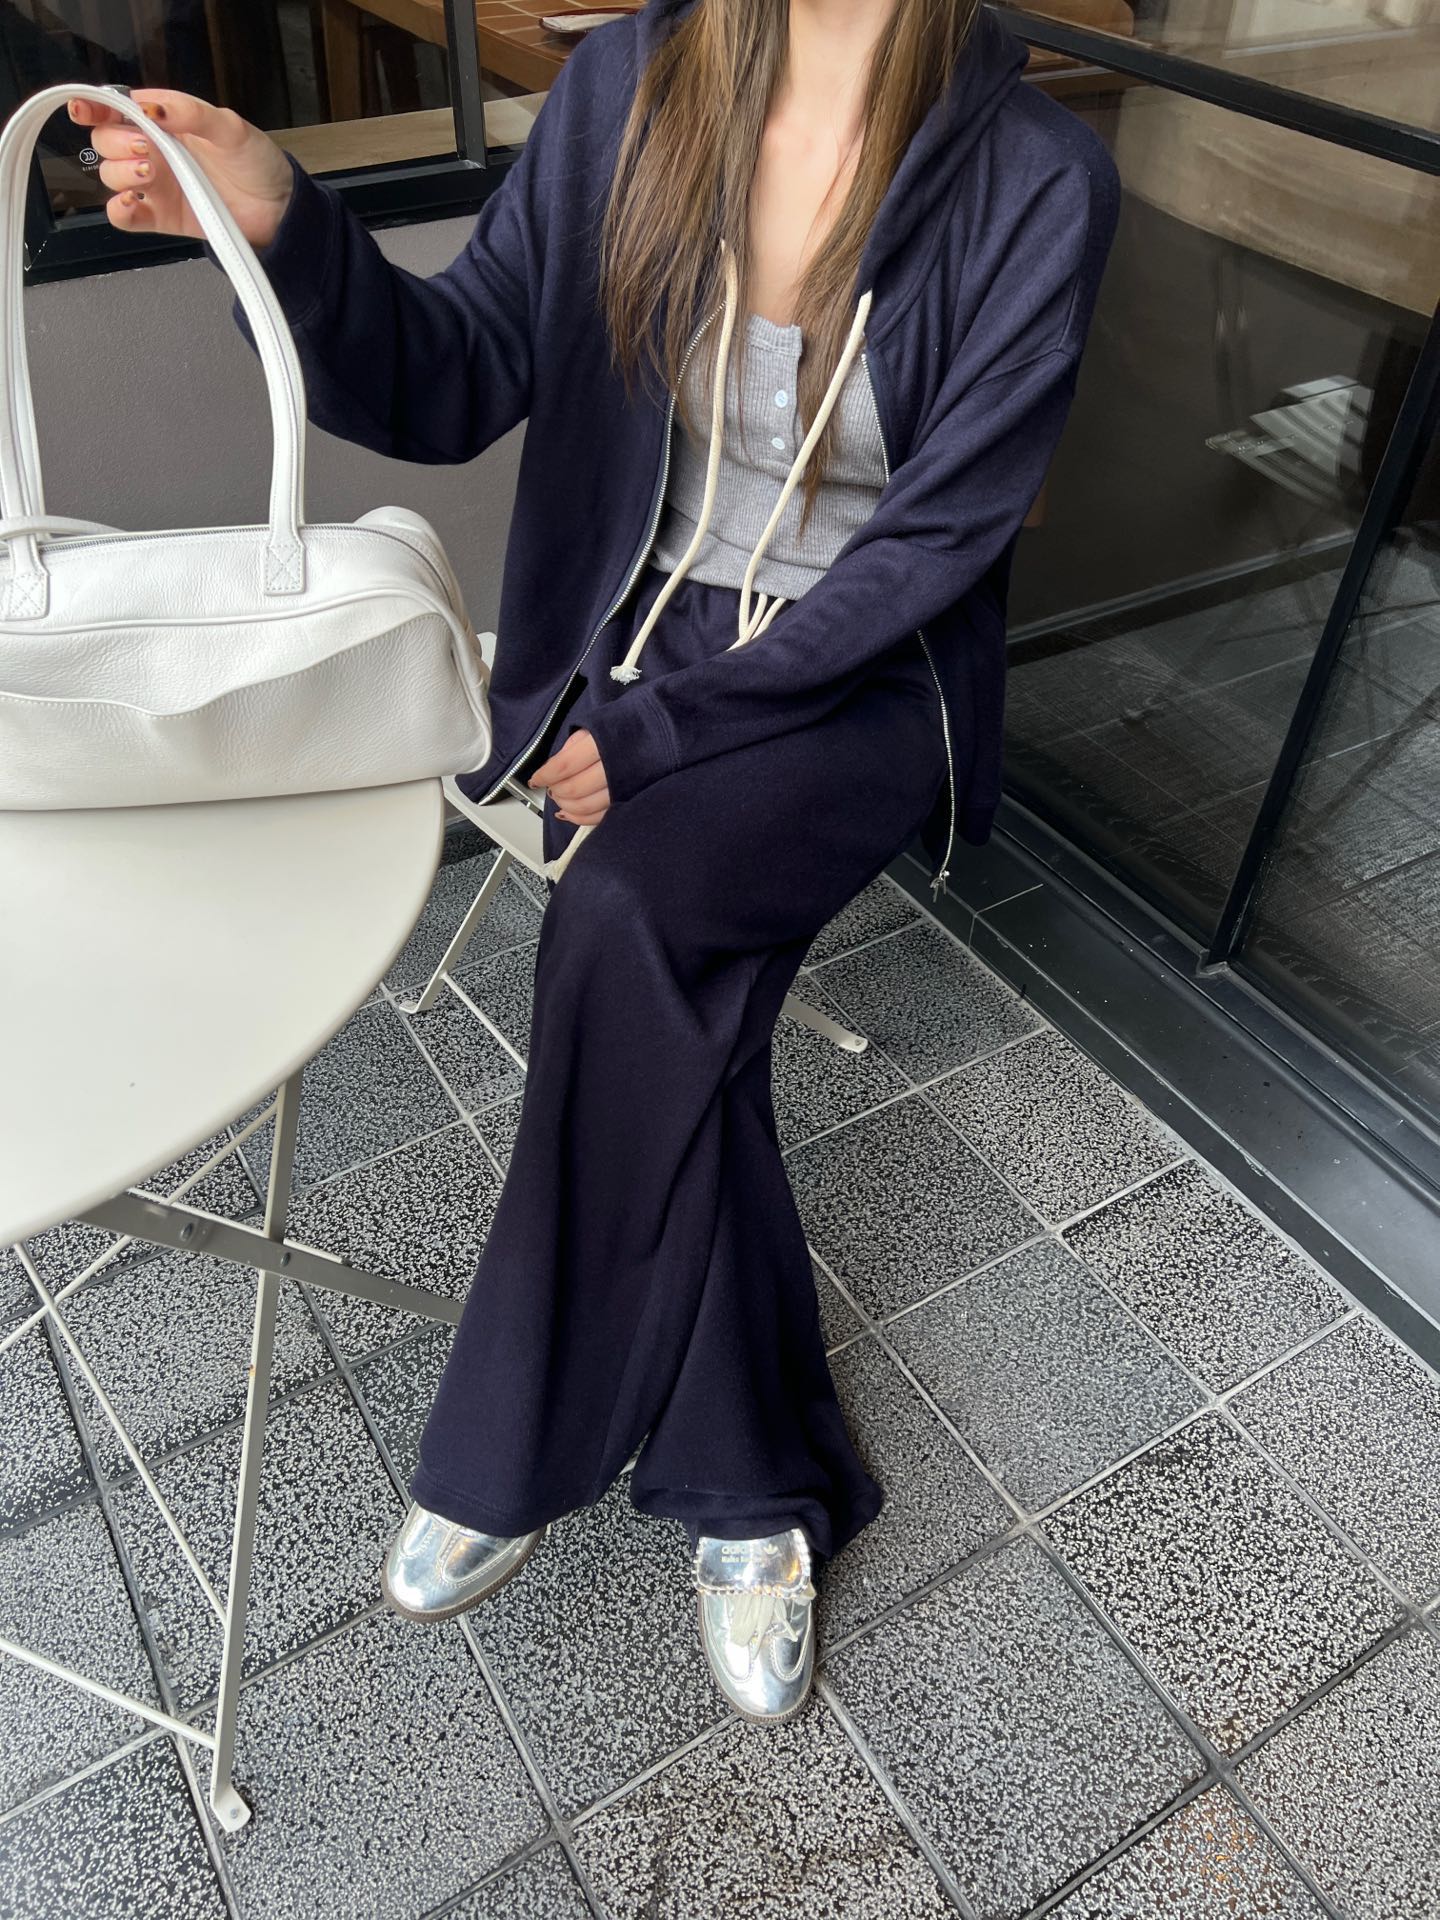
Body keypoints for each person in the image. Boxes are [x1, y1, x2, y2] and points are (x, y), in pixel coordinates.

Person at [72, 0, 1119, 1725]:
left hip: (857, 683)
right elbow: (455, 374)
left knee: (627, 912)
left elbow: (936, 543)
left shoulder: (1035, 175)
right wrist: (283, 220)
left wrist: (669, 734)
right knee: (677, 1011)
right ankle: (753, 1485)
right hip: (627, 644)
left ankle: (513, 1438)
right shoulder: (633, 88)